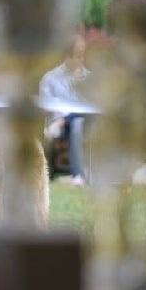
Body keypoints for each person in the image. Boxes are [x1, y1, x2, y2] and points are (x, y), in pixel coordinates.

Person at [39, 33, 90, 187]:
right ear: (66, 56)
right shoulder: (50, 79)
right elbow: (48, 107)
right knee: (76, 123)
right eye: (76, 56)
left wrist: (62, 121)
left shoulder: (89, 78)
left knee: (77, 123)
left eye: (82, 56)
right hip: (55, 125)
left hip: (82, 124)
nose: (80, 60)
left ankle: (78, 175)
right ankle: (78, 175)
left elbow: (88, 108)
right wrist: (59, 120)